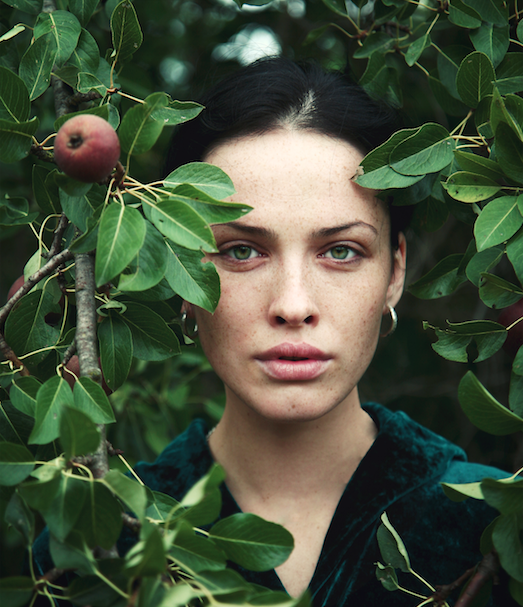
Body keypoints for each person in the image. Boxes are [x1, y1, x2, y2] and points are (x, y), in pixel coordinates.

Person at [32, 57, 514, 606]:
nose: (292, 305)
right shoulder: (95, 543)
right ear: (183, 272)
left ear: (394, 272)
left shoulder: (491, 524)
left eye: (340, 251)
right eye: (241, 251)